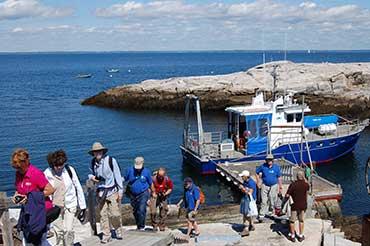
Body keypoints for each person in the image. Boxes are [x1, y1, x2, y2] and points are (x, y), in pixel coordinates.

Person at [11, 149, 55, 246]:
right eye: (17, 168)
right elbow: (19, 189)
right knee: (28, 239)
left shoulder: (35, 173)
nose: (19, 170)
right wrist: (16, 196)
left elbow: (50, 190)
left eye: (20, 168)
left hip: (40, 211)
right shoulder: (18, 174)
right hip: (27, 211)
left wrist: (32, 197)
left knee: (39, 239)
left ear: (26, 163)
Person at [44, 150, 86, 245]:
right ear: (52, 164)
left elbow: (78, 186)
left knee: (69, 230)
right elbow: (45, 190)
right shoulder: (47, 173)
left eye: (61, 164)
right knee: (59, 231)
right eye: (57, 165)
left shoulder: (69, 170)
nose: (59, 167)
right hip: (55, 206)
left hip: (70, 204)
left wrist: (83, 206)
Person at [87, 142, 123, 244]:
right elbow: (90, 173)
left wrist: (120, 191)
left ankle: (118, 229)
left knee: (115, 214)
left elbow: (118, 175)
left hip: (111, 191)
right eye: (95, 152)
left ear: (102, 151)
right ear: (93, 153)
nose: (97, 153)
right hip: (100, 192)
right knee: (103, 215)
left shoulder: (111, 161)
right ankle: (106, 235)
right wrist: (92, 177)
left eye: (99, 151)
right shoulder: (93, 163)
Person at [124, 156, 152, 231]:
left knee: (141, 209)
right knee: (135, 211)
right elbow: (125, 179)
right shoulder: (130, 170)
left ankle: (142, 227)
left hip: (143, 193)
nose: (138, 169)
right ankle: (138, 225)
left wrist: (151, 196)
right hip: (133, 194)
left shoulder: (147, 171)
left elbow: (150, 183)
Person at [256, 153, 282, 222]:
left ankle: (272, 212)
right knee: (264, 200)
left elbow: (279, 177)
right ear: (266, 160)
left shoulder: (276, 167)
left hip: (274, 185)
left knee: (272, 199)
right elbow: (257, 172)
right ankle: (261, 214)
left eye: (270, 160)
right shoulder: (263, 166)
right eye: (268, 160)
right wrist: (258, 181)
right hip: (265, 185)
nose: (269, 161)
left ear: (273, 160)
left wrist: (280, 187)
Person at [285, 170, 310, 242]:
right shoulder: (306, 185)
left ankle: (292, 236)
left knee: (292, 221)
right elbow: (308, 189)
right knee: (301, 220)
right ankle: (301, 235)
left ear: (296, 176)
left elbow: (287, 195)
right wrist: (305, 179)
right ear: (303, 176)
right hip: (303, 205)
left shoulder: (293, 185)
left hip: (294, 206)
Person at [238, 170, 257, 237]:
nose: (242, 177)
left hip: (249, 201)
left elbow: (249, 193)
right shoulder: (245, 182)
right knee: (247, 214)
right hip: (246, 199)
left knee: (246, 215)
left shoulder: (251, 183)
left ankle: (246, 229)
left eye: (243, 176)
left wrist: (242, 188)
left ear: (246, 176)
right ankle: (251, 225)